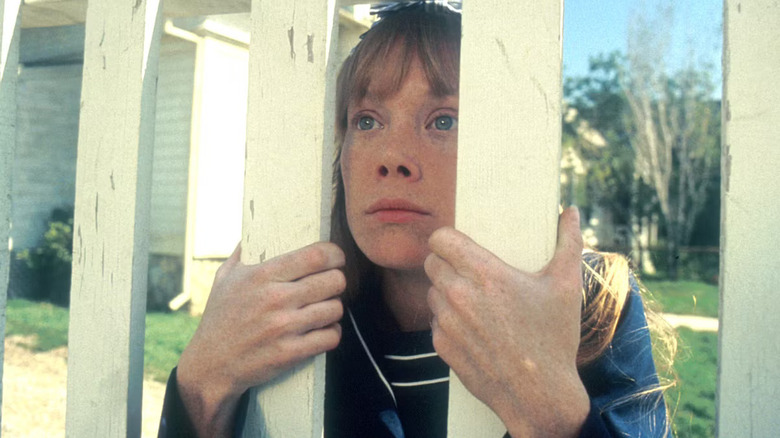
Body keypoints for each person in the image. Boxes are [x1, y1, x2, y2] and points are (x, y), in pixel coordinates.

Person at [159, 3, 674, 437]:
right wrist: (202, 384)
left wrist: (553, 414)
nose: (392, 157)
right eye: (367, 120)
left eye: (444, 119)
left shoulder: (596, 305)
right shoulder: (293, 313)